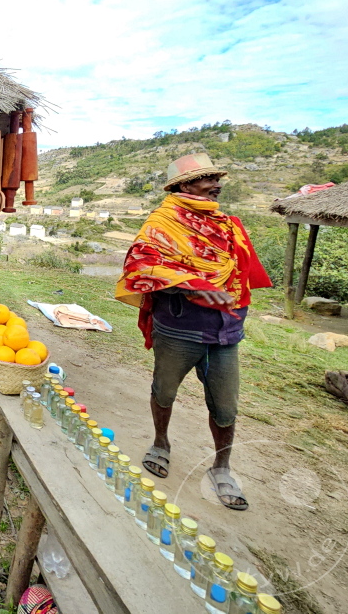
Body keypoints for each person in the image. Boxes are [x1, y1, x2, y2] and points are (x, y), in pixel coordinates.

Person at [115, 153, 271, 510]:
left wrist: (223, 293)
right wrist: (187, 285)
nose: (216, 184)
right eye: (207, 179)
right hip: (179, 328)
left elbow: (240, 272)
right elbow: (141, 268)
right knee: (164, 390)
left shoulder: (228, 225)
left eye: (217, 178)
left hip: (225, 331)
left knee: (226, 405)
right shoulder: (163, 223)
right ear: (184, 186)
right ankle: (161, 443)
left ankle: (222, 468)